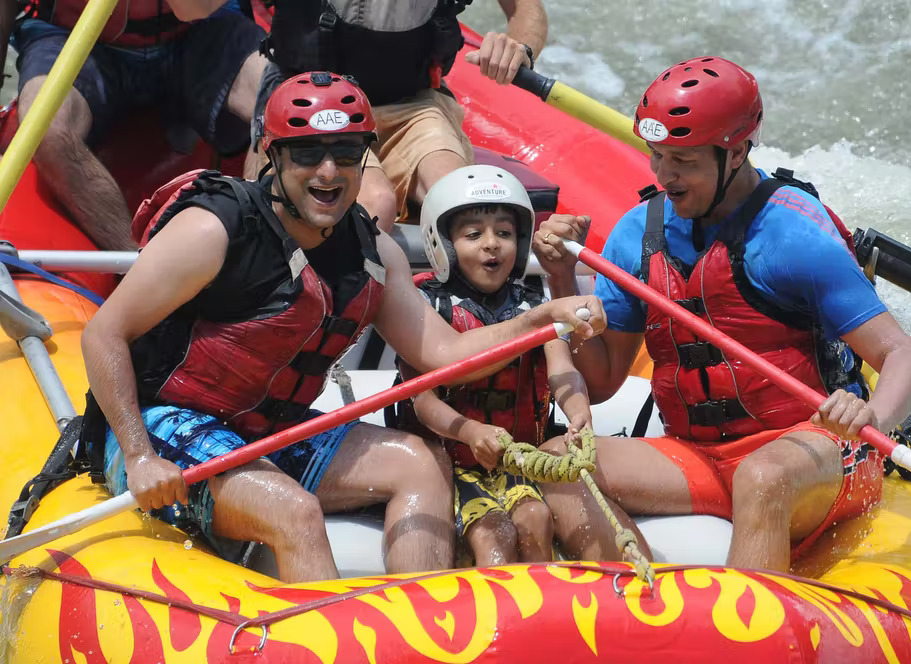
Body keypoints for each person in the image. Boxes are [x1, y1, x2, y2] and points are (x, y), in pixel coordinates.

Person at [80, 72, 604, 583]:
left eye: (347, 153)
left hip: (267, 430)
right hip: (164, 426)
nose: (328, 172)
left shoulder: (373, 252)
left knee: (420, 463)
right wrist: (138, 454)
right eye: (308, 153)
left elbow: (447, 353)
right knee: (296, 511)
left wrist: (543, 319)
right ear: (273, 155)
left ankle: (421, 631)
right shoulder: (213, 229)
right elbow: (103, 334)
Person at [531, 56, 911, 573]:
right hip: (697, 454)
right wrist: (562, 278)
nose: (664, 175)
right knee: (560, 463)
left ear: (737, 151)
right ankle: (641, 608)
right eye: (657, 156)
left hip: (814, 450)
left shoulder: (791, 235)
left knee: (761, 478)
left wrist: (872, 416)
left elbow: (905, 355)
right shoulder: (637, 235)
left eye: (684, 161)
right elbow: (603, 381)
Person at [393, 165, 593, 566]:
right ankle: (491, 623)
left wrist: (578, 411)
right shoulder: (428, 310)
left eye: (504, 233)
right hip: (453, 463)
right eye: (473, 235)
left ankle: (541, 620)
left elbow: (561, 368)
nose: (492, 245)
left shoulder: (533, 306)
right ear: (442, 244)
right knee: (491, 534)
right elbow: (423, 403)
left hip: (518, 457)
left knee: (535, 518)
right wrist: (471, 432)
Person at [248, 0, 548, 231]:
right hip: (309, 99)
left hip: (412, 101)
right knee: (375, 203)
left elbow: (524, 8)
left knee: (464, 204)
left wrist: (519, 48)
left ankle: (459, 307)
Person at [1, 0, 268, 250]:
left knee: (276, 98)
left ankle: (254, 255)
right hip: (74, 37)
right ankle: (137, 262)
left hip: (197, 29)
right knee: (48, 129)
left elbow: (194, 9)